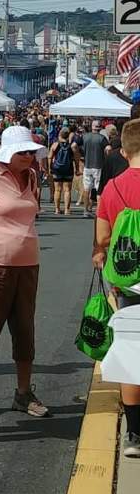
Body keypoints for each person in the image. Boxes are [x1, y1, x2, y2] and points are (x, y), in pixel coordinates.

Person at [0, 126, 49, 419]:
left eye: (31, 151)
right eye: (23, 152)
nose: (29, 156)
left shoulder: (31, 176)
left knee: (25, 330)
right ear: (8, 153)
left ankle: (23, 392)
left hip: (28, 263)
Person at [94, 118, 140, 457]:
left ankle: (135, 435)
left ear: (124, 151)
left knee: (133, 354)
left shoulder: (113, 188)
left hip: (128, 281)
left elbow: (102, 238)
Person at [48, 128, 81, 215]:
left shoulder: (55, 145)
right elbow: (77, 159)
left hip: (57, 169)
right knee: (67, 190)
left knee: (57, 190)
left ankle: (57, 209)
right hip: (68, 169)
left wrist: (49, 168)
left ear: (60, 135)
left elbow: (50, 157)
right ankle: (67, 209)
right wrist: (77, 169)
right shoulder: (73, 146)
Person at [82, 120, 108, 217]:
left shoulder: (85, 137)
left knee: (86, 188)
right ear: (99, 127)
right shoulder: (102, 138)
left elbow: (74, 146)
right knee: (99, 189)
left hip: (87, 165)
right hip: (98, 166)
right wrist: (106, 157)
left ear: (92, 127)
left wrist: (80, 155)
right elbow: (108, 148)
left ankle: (85, 210)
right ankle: (98, 210)